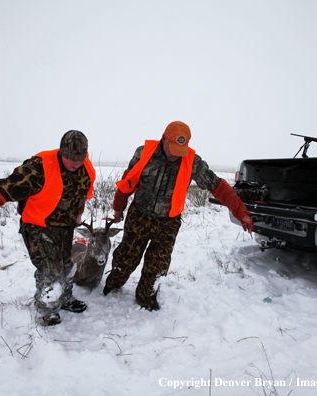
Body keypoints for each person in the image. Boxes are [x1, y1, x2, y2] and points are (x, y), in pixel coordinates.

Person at [103, 121, 254, 311]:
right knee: (126, 258)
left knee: (158, 265)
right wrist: (118, 208)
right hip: (139, 216)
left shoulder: (193, 162)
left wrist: (241, 213)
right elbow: (127, 182)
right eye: (172, 148)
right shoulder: (144, 153)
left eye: (180, 149)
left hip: (168, 222)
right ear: (164, 139)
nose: (175, 154)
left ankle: (145, 296)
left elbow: (219, 187)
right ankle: (114, 282)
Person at [0, 130, 95, 326]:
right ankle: (47, 311)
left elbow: (82, 194)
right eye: (70, 158)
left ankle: (65, 298)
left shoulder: (86, 169)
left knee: (67, 267)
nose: (75, 163)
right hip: (38, 226)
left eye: (80, 158)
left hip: (65, 227)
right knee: (50, 272)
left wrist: (78, 213)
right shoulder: (38, 168)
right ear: (61, 151)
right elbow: (1, 192)